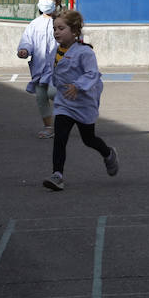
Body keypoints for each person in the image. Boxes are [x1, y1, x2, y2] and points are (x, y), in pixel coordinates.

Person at [42, 11, 117, 191]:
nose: (57, 32)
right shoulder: (55, 51)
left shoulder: (85, 52)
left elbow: (92, 73)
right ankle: (57, 175)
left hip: (83, 102)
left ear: (74, 30)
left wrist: (78, 86)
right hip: (64, 103)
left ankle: (108, 153)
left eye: (61, 28)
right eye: (54, 29)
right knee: (60, 138)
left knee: (88, 139)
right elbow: (51, 71)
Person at [17, 0, 63, 137]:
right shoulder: (34, 24)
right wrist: (24, 50)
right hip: (39, 69)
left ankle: (70, 113)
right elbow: (27, 40)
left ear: (57, 1)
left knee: (52, 93)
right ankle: (49, 127)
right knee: (41, 97)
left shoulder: (62, 21)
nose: (45, 1)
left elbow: (73, 39)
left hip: (58, 69)